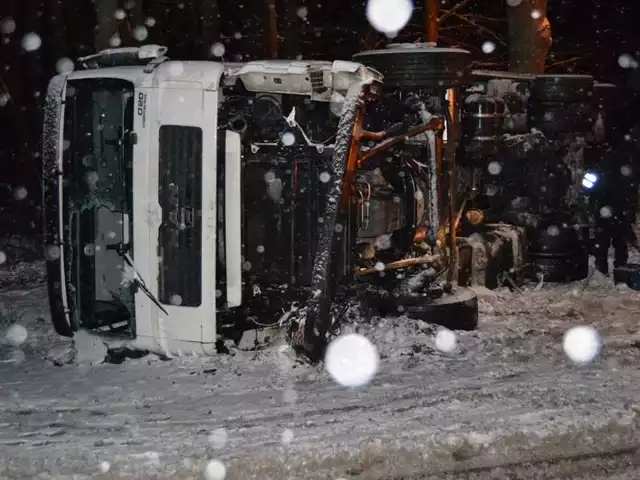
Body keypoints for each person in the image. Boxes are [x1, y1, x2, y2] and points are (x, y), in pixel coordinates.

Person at [589, 139, 639, 274]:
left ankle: (603, 271)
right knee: (619, 243)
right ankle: (620, 271)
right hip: (618, 208)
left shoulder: (601, 164)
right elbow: (632, 189)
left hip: (605, 207)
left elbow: (589, 186)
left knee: (604, 243)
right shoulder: (628, 165)